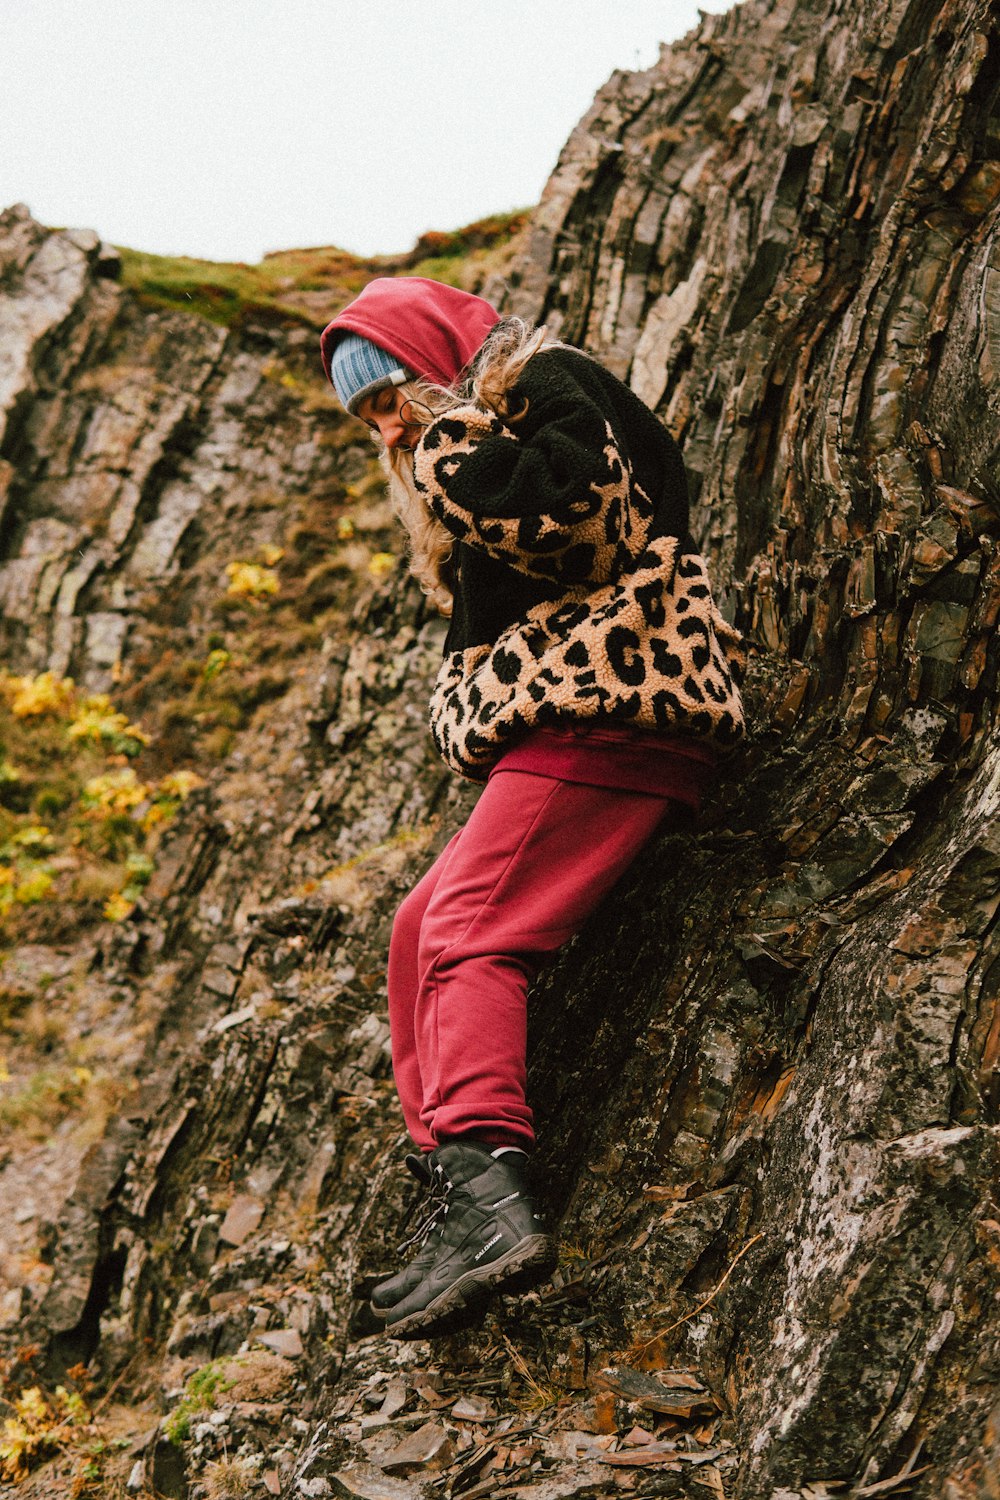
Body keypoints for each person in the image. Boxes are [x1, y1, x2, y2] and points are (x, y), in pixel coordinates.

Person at [319, 277, 745, 1339]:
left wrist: (449, 437)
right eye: (367, 416)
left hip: (609, 709)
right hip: (571, 725)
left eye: (392, 395)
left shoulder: (546, 383)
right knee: (419, 930)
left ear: (438, 364)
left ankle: (492, 1192)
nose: (387, 427)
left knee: (467, 933)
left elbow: (574, 523)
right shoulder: (475, 426)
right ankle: (457, 1190)